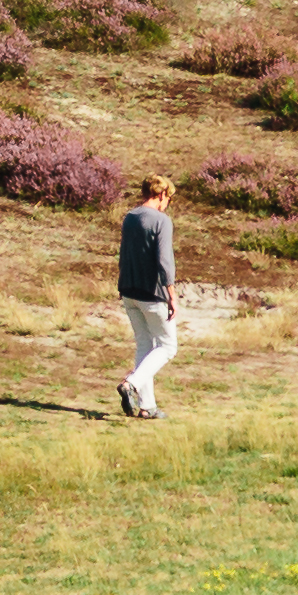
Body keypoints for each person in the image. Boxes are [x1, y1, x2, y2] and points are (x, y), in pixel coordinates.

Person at [118, 172, 181, 417]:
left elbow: (124, 254)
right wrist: (172, 295)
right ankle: (131, 384)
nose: (168, 204)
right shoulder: (161, 221)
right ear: (161, 194)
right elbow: (165, 261)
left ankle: (147, 407)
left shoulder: (130, 217)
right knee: (167, 347)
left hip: (128, 290)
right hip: (152, 294)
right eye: (169, 199)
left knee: (144, 345)